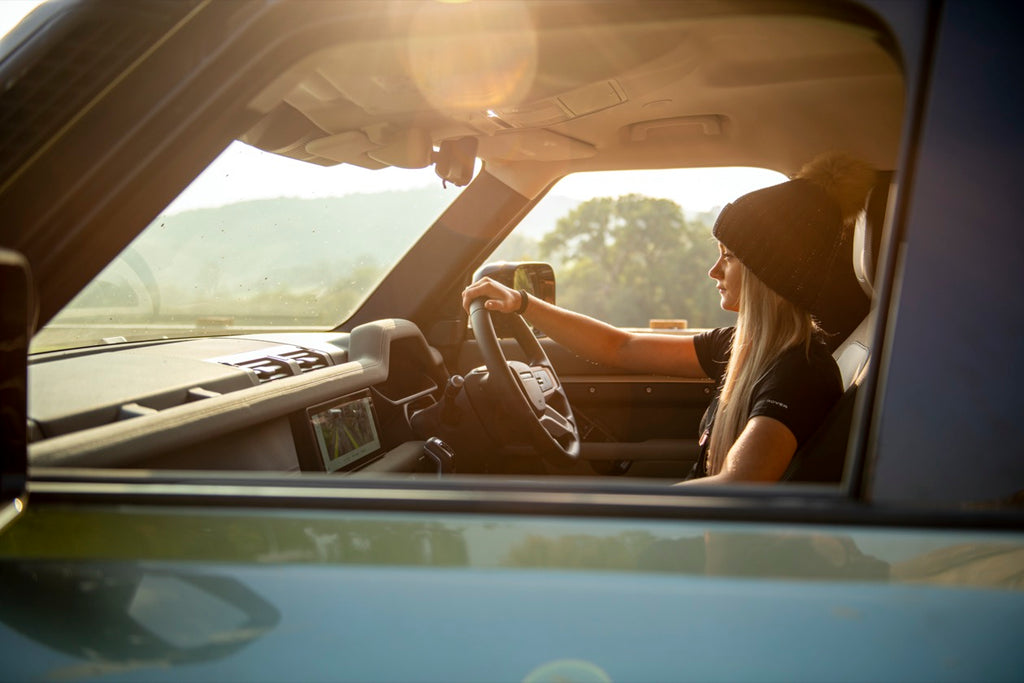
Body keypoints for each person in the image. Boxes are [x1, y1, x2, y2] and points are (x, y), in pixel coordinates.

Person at [462, 152, 876, 484]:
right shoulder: (742, 346)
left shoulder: (799, 371)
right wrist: (522, 303)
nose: (714, 271)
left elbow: (740, 486)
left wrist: (631, 520)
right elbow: (620, 347)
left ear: (768, 274)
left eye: (729, 258)